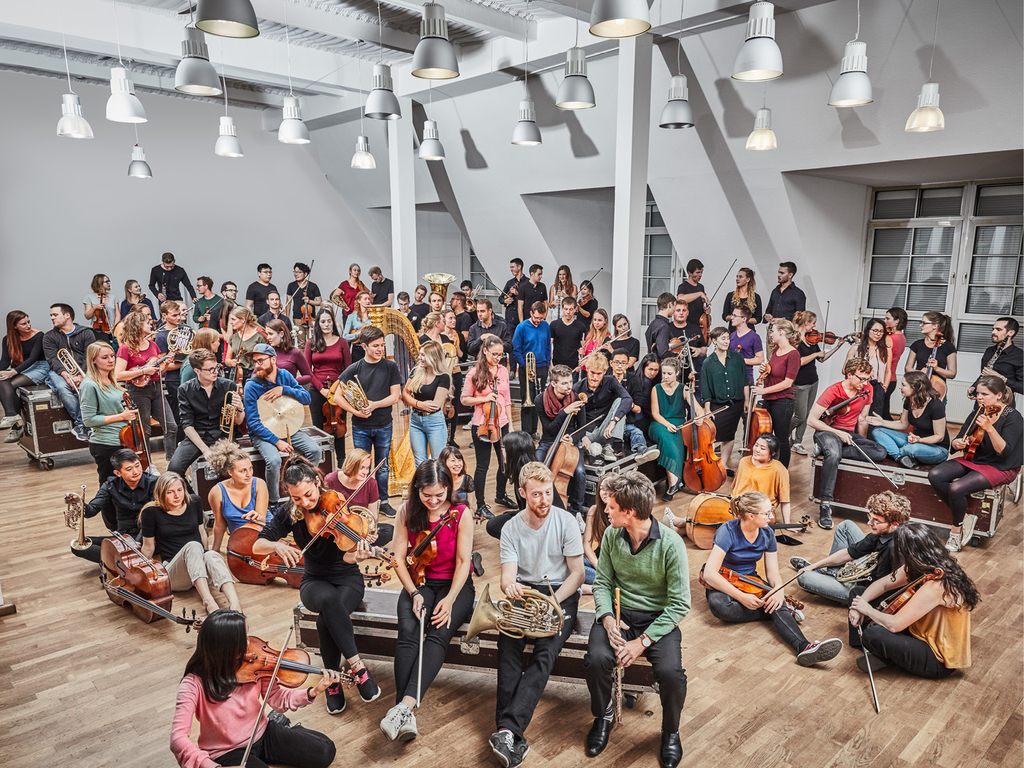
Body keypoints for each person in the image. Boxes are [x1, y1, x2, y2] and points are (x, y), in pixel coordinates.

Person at [252, 460, 382, 714]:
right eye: (296, 497)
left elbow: (345, 556)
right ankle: (358, 668)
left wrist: (356, 555)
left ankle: (333, 681)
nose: (306, 503)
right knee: (328, 601)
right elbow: (258, 545)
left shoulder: (337, 502)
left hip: (347, 578)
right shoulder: (290, 512)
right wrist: (276, 545)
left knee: (325, 621)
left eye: (308, 494)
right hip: (313, 581)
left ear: (317, 483)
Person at [584, 471, 689, 768]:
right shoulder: (611, 537)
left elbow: (681, 604)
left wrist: (641, 643)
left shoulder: (671, 544)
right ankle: (602, 717)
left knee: (671, 674)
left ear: (629, 513)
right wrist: (606, 618)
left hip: (658, 619)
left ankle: (670, 732)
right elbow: (602, 582)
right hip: (618, 614)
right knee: (594, 659)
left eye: (611, 507)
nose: (606, 510)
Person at [490, 462, 584, 768]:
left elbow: (578, 575)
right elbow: (507, 578)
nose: (544, 500)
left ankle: (506, 729)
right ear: (522, 493)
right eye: (536, 495)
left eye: (548, 492)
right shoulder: (511, 528)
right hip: (527, 591)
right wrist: (511, 587)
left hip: (561, 593)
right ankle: (509, 732)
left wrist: (553, 602)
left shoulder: (566, 521)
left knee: (546, 652)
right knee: (508, 647)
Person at [380, 460, 475, 742]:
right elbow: (398, 558)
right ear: (417, 489)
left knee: (437, 634)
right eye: (426, 495)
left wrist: (449, 600)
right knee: (408, 633)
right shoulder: (406, 511)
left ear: (448, 488)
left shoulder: (461, 513)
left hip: (454, 586)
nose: (433, 501)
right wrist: (413, 593)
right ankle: (404, 711)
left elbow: (463, 561)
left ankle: (402, 708)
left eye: (439, 494)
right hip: (418, 582)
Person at [170, 609, 340, 768]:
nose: (249, 642)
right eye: (242, 639)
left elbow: (277, 698)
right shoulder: (193, 684)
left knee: (326, 751)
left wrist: (313, 692)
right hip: (226, 752)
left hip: (262, 733)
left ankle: (282, 726)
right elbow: (178, 739)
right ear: (225, 647)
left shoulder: (256, 666)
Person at [703, 491, 844, 666]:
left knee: (775, 599)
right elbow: (710, 573)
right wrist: (741, 597)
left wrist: (778, 590)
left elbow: (772, 572)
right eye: (767, 513)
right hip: (724, 577)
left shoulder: (767, 534)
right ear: (750, 515)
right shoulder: (727, 531)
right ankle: (782, 613)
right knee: (720, 606)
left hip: (749, 579)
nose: (771, 517)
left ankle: (804, 647)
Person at [849, 523, 978, 679]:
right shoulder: (923, 566)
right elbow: (882, 584)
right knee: (858, 593)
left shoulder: (937, 586)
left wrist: (866, 609)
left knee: (872, 633)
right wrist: (859, 605)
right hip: (915, 632)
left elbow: (895, 625)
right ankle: (868, 649)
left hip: (937, 657)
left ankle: (877, 649)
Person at [928, 376, 1022, 552]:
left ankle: (956, 534)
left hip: (1002, 465)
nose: (979, 397)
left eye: (984, 394)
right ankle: (965, 517)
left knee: (956, 488)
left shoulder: (1014, 417)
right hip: (975, 459)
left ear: (999, 395)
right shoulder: (977, 412)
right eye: (978, 393)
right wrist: (958, 443)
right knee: (935, 475)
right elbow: (957, 440)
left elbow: (1004, 451)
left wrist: (990, 428)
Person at [139, 472, 241, 615]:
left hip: (200, 570)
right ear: (161, 493)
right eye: (170, 492)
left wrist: (205, 557)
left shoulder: (194, 502)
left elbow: (202, 532)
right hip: (175, 573)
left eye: (180, 490)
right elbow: (148, 547)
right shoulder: (151, 512)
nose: (177, 495)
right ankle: (208, 601)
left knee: (211, 554)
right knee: (193, 546)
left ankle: (235, 604)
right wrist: (143, 578)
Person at [808, 358, 888, 530]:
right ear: (850, 374)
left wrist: (862, 442)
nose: (865, 383)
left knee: (879, 452)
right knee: (834, 454)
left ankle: (825, 451)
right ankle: (825, 504)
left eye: (868, 379)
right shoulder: (833, 391)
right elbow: (811, 420)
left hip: (849, 434)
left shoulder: (868, 389)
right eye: (862, 379)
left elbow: (862, 418)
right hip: (828, 431)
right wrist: (838, 433)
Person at [791, 491, 910, 605]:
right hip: (869, 569)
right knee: (846, 526)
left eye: (876, 521)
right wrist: (813, 566)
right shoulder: (883, 532)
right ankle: (831, 575)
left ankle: (826, 582)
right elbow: (849, 553)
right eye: (870, 517)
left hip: (865, 591)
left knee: (804, 577)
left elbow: (881, 588)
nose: (869, 523)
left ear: (894, 524)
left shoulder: (894, 549)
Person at [243, 344, 322, 510]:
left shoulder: (285, 376)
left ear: (273, 360)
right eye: (255, 361)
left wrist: (284, 389)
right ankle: (274, 503)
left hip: (288, 427)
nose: (257, 365)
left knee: (315, 451)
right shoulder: (251, 386)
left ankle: (303, 487)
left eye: (261, 360)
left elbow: (306, 398)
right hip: (263, 433)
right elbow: (253, 423)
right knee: (273, 460)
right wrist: (277, 441)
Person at [334, 325, 401, 517]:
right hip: (361, 426)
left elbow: (395, 397)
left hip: (384, 425)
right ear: (364, 346)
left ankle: (384, 501)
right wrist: (356, 410)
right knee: (361, 467)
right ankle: (363, 502)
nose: (380, 349)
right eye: (375, 346)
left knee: (382, 466)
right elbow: (337, 397)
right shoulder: (354, 369)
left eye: (381, 345)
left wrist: (374, 405)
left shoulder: (390, 367)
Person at [167, 349, 244, 480]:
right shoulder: (185, 390)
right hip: (197, 436)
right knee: (173, 470)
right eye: (210, 369)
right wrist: (205, 450)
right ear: (197, 371)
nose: (216, 372)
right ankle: (194, 500)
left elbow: (238, 421)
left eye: (216, 367)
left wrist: (240, 409)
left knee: (239, 467)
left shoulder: (228, 386)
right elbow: (187, 425)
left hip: (223, 436)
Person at [462, 335, 515, 520]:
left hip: (502, 423)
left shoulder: (503, 371)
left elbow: (507, 399)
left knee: (505, 462)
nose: (498, 358)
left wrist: (511, 425)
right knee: (482, 466)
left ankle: (500, 495)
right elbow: (464, 399)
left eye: (500, 355)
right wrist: (484, 398)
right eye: (494, 354)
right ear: (485, 351)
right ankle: (481, 505)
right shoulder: (474, 372)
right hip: (482, 425)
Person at [114, 310, 178, 462]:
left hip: (156, 388)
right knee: (145, 431)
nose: (151, 322)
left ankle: (173, 462)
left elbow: (156, 372)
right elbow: (118, 375)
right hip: (137, 392)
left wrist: (166, 364)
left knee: (171, 426)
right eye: (146, 321)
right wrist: (143, 370)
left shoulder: (153, 345)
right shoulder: (125, 348)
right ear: (137, 326)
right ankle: (146, 464)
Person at [791, 311, 847, 455]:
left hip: (813, 381)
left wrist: (837, 347)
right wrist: (815, 354)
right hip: (800, 383)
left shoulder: (812, 340)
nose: (815, 326)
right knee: (800, 416)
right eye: (813, 323)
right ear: (806, 323)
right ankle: (782, 433)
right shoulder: (794, 340)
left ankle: (797, 442)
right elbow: (799, 361)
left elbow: (822, 359)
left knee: (807, 414)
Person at [536, 365, 588, 518]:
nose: (569, 386)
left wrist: (573, 438)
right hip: (548, 441)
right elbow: (549, 429)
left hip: (570, 443)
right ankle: (538, 505)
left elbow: (582, 428)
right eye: (564, 383)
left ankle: (577, 511)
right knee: (538, 466)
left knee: (580, 472)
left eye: (570, 382)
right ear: (553, 384)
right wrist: (565, 412)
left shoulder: (578, 398)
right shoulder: (540, 400)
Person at [867, 371, 949, 468]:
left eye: (903, 385)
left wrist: (920, 440)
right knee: (877, 431)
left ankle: (897, 453)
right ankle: (900, 458)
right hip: (914, 441)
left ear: (915, 387)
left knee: (911, 449)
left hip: (937, 449)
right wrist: (882, 422)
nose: (899, 387)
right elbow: (903, 424)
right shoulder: (909, 401)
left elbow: (939, 437)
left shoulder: (936, 405)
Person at [78, 343, 134, 482]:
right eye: (105, 357)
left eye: (112, 356)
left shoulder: (111, 380)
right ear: (93, 360)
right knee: (110, 486)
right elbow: (89, 420)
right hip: (106, 443)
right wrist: (121, 416)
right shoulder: (89, 385)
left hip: (124, 440)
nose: (111, 360)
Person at [649, 357, 702, 501]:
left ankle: (674, 481)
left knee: (678, 442)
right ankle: (674, 482)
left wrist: (699, 416)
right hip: (660, 423)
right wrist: (666, 424)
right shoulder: (656, 388)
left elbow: (698, 409)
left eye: (669, 374)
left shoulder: (684, 388)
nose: (665, 376)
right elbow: (655, 414)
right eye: (664, 373)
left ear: (677, 372)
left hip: (679, 424)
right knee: (666, 438)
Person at [42, 303, 96, 442]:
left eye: (55, 315)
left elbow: (89, 356)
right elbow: (53, 359)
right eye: (51, 315)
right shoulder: (49, 336)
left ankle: (82, 424)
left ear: (67, 315)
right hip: (60, 372)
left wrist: (80, 375)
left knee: (89, 388)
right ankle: (84, 423)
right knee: (62, 388)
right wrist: (67, 376)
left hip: (85, 369)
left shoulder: (86, 333)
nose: (52, 318)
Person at [305, 308, 352, 464]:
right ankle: (322, 463)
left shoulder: (342, 342)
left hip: (338, 390)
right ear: (318, 324)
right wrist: (322, 389)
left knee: (339, 427)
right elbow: (307, 371)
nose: (326, 324)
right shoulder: (311, 343)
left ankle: (341, 461)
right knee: (319, 427)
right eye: (323, 321)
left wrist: (337, 389)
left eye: (329, 321)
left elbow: (348, 370)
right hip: (317, 390)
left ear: (334, 322)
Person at [700, 326, 749, 472]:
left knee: (729, 434)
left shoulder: (737, 357)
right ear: (714, 340)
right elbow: (706, 388)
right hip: (717, 405)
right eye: (723, 338)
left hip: (736, 404)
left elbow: (745, 381)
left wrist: (746, 401)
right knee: (713, 436)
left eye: (728, 338)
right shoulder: (708, 363)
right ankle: (710, 462)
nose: (726, 341)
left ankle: (724, 463)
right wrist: (707, 409)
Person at [752, 320, 800, 468]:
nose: (771, 334)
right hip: (769, 400)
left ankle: (781, 471)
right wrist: (764, 370)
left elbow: (787, 382)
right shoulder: (776, 351)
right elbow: (773, 374)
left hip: (783, 402)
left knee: (781, 438)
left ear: (782, 332)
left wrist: (763, 391)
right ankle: (766, 467)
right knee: (765, 437)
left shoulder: (793, 354)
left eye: (773, 331)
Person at [207, 440, 269, 552]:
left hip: (264, 534)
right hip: (239, 541)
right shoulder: (217, 492)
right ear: (230, 472)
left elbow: (262, 520)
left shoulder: (259, 484)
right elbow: (220, 525)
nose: (249, 474)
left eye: (250, 468)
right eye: (243, 471)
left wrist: (257, 517)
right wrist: (215, 551)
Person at [79, 448, 156, 536]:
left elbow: (155, 516)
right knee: (82, 547)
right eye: (129, 469)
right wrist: (78, 503)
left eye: (137, 465)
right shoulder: (110, 485)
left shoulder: (153, 483)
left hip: (149, 534)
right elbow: (91, 511)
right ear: (118, 473)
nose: (136, 471)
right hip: (124, 536)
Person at [574, 352, 633, 464]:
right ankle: (588, 450)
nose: (595, 377)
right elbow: (572, 419)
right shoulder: (577, 388)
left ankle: (608, 447)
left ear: (605, 372)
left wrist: (613, 421)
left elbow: (628, 399)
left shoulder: (610, 381)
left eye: (599, 374)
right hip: (586, 434)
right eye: (592, 373)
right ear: (587, 370)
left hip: (605, 431)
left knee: (620, 401)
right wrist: (581, 436)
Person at [0, 311, 49, 442]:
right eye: (23, 323)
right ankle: (13, 417)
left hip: (40, 366)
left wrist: (13, 372)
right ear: (14, 326)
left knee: (10, 384)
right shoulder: (7, 339)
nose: (28, 325)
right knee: (2, 380)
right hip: (21, 367)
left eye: (28, 322)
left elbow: (33, 358)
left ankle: (15, 425)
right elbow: (4, 361)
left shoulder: (39, 335)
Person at [402, 341, 451, 465]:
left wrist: (412, 401)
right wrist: (420, 404)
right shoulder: (416, 371)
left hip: (434, 422)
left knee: (437, 462)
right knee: (420, 462)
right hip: (415, 420)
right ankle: (423, 485)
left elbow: (434, 406)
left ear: (433, 357)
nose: (419, 358)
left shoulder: (443, 377)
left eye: (423, 355)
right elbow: (404, 395)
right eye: (420, 354)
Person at [484, 431, 538, 539]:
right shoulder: (520, 471)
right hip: (527, 514)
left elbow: (537, 515)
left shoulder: (531, 478)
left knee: (494, 526)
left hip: (536, 522)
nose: (502, 451)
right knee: (497, 521)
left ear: (514, 451)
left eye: (504, 448)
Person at [609, 349, 658, 460]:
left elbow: (638, 409)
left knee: (637, 432)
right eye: (616, 362)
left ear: (627, 365)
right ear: (611, 363)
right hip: (607, 422)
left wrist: (628, 404)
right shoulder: (605, 378)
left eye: (623, 363)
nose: (619, 366)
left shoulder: (633, 380)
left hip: (626, 422)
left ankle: (641, 451)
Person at [512, 301, 551, 437]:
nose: (538, 321)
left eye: (541, 318)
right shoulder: (521, 327)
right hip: (526, 368)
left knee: (538, 400)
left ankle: (534, 430)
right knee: (526, 400)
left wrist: (547, 364)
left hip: (542, 367)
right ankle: (526, 432)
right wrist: (526, 367)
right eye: (536, 318)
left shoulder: (545, 326)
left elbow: (547, 347)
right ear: (530, 313)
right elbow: (516, 350)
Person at [155, 300, 188, 443]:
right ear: (164, 315)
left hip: (190, 376)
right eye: (174, 315)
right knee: (179, 413)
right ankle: (180, 443)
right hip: (174, 379)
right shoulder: (161, 336)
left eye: (179, 314)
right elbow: (163, 364)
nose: (179, 318)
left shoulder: (186, 330)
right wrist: (186, 363)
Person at [845, 318, 892, 417]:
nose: (878, 334)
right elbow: (845, 370)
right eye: (875, 330)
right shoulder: (856, 349)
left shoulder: (886, 350)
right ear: (868, 330)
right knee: (856, 415)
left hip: (877, 387)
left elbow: (888, 371)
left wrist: (885, 388)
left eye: (881, 331)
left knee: (874, 416)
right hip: (859, 386)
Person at [904, 311, 957, 395]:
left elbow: (952, 373)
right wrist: (920, 373)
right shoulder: (917, 344)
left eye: (924, 323)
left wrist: (937, 368)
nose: (921, 325)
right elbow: (907, 368)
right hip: (917, 386)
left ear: (935, 326)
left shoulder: (948, 347)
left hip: (937, 388)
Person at [581, 475, 612, 593]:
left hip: (613, 569)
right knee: (571, 563)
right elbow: (586, 545)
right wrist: (599, 567)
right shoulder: (594, 510)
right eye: (602, 489)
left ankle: (594, 588)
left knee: (571, 574)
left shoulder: (621, 512)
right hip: (597, 562)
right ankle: (601, 587)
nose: (604, 492)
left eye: (609, 489)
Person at [976, 317, 1022, 396]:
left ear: (1010, 333)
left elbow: (1022, 387)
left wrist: (1000, 378)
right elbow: (983, 376)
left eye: (998, 329)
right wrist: (974, 387)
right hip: (982, 401)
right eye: (993, 329)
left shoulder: (1020, 356)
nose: (993, 332)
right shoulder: (989, 351)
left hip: (1003, 403)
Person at [284, 262, 322, 345]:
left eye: (299, 272)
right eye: (295, 272)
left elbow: (319, 302)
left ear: (305, 274)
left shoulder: (313, 286)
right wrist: (287, 318)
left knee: (312, 341)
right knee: (301, 343)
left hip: (311, 318)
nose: (296, 274)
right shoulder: (291, 286)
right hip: (297, 318)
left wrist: (309, 301)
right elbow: (288, 302)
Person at [223, 306, 266, 379]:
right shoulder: (233, 338)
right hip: (237, 375)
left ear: (243, 320)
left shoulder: (259, 338)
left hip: (253, 375)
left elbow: (264, 360)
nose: (230, 322)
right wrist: (231, 362)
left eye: (233, 319)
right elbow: (227, 359)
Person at [265, 319, 312, 385]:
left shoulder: (295, 353)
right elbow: (255, 374)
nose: (268, 337)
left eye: (271, 334)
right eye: (267, 334)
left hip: (287, 392)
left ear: (281, 334)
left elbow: (308, 376)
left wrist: (290, 381)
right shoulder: (267, 352)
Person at [729, 306, 763, 386]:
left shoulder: (754, 337)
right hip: (730, 376)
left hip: (745, 378)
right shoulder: (731, 336)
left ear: (744, 319)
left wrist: (741, 360)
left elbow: (760, 359)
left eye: (735, 315)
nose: (731, 318)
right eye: (732, 315)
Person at [883, 307, 909, 414]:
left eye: (887, 318)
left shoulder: (890, 338)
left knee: (879, 413)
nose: (885, 321)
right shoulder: (902, 337)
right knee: (884, 411)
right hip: (892, 379)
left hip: (885, 378)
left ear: (897, 320)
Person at [676, 259, 708, 343]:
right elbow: (680, 299)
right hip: (687, 326)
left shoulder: (701, 286)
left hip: (700, 326)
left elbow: (698, 305)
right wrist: (700, 293)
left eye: (701, 272)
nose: (700, 275)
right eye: (697, 272)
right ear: (690, 273)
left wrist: (705, 309)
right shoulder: (683, 287)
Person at [83, 273, 119, 343]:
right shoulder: (89, 297)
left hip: (111, 329)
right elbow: (87, 316)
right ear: (99, 283)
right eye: (106, 282)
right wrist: (94, 307)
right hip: (97, 330)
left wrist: (114, 328)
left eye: (109, 281)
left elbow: (117, 314)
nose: (109, 283)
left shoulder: (113, 297)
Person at [439, 444, 474, 514]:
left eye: (459, 460)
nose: (457, 464)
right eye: (453, 460)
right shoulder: (439, 481)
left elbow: (470, 507)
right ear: (444, 463)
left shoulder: (467, 480)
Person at [501, 259, 528, 350]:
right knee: (511, 344)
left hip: (523, 317)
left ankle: (522, 364)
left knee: (523, 343)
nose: (511, 269)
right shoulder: (510, 283)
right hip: (510, 317)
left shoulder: (527, 283)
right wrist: (506, 301)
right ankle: (512, 365)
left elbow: (529, 299)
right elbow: (500, 298)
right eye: (510, 267)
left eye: (513, 267)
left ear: (519, 267)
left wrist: (517, 293)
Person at [343, 290, 373, 362]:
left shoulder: (373, 315)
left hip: (371, 349)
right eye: (365, 299)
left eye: (369, 299)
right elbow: (345, 336)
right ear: (359, 301)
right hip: (357, 349)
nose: (368, 301)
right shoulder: (352, 317)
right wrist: (358, 334)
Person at [635, 354, 661, 436]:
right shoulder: (646, 382)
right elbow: (646, 405)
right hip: (640, 418)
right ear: (644, 367)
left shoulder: (637, 377)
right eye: (650, 369)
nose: (653, 373)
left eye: (656, 370)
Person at [579, 308, 611, 375]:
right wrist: (581, 352)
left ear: (605, 321)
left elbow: (603, 357)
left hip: (596, 371)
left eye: (599, 320)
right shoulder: (589, 335)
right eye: (595, 320)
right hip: (585, 369)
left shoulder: (607, 337)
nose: (596, 323)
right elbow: (585, 352)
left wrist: (587, 361)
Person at [646, 294, 676, 360]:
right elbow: (662, 353)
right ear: (670, 305)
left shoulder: (653, 323)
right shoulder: (663, 326)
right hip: (659, 364)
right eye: (675, 306)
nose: (675, 309)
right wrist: (677, 355)